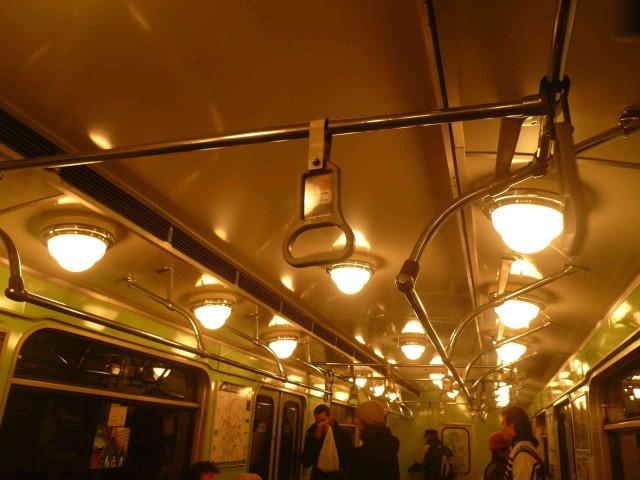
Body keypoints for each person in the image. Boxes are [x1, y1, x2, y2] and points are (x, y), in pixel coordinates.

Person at [346, 400, 399, 480]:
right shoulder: (387, 444)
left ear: (367, 419)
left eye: (358, 417)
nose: (355, 421)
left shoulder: (371, 450)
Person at [302, 404, 352, 479]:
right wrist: (316, 440)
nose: (320, 424)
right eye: (317, 422)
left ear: (330, 417)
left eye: (323, 420)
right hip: (318, 476)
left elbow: (348, 460)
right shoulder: (312, 432)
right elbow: (306, 462)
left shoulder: (343, 434)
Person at [501, 406, 545, 480]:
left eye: (503, 424)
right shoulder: (522, 448)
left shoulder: (522, 455)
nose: (502, 429)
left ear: (512, 425)